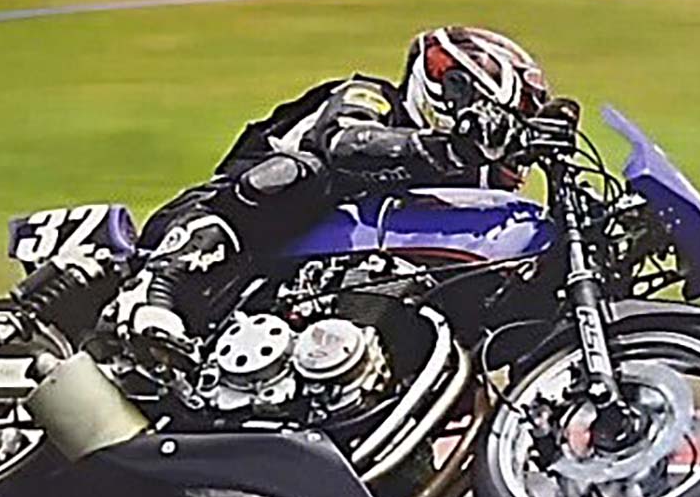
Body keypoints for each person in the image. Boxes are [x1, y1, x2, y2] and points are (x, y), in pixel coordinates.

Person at [115, 25, 552, 362]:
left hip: (303, 297)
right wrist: (451, 148)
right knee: (303, 174)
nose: (508, 154)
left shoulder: (452, 197)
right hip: (217, 225)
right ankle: (154, 287)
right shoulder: (374, 98)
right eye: (503, 125)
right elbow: (345, 144)